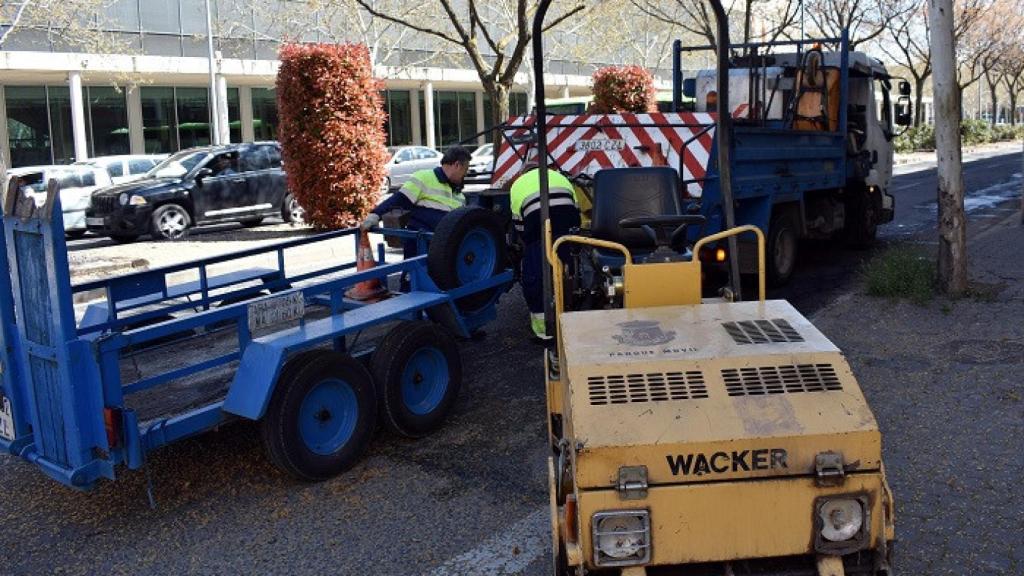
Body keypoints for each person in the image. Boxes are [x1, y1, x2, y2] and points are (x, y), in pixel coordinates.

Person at [509, 164, 580, 341]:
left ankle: (545, 333)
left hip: (538, 225)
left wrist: (528, 243)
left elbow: (518, 224)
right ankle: (570, 316)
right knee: (567, 268)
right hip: (566, 223)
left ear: (522, 173)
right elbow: (576, 211)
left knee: (536, 275)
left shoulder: (518, 183)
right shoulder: (559, 177)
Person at [361, 146, 472, 260]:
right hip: (419, 249)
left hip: (443, 254)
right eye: (466, 169)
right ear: (457, 165)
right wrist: (375, 215)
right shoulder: (423, 178)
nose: (466, 174)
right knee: (413, 276)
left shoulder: (460, 196)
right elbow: (399, 200)